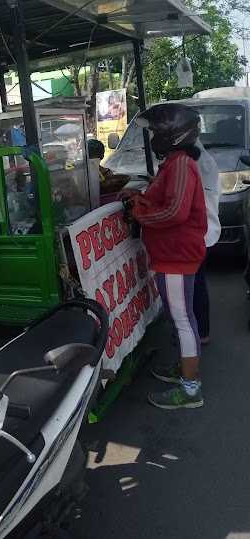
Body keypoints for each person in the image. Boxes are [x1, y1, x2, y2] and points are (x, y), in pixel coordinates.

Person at [128, 104, 207, 410]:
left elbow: (175, 211)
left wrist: (139, 214)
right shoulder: (174, 163)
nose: (153, 139)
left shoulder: (181, 165)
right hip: (172, 254)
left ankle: (190, 390)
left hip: (177, 255)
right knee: (181, 318)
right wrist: (142, 200)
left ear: (173, 135)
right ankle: (184, 371)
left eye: (157, 132)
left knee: (183, 319)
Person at [194, 141, 221, 344]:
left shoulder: (194, 162)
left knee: (195, 286)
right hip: (206, 230)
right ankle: (202, 331)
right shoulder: (204, 160)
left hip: (199, 232)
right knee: (198, 284)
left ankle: (200, 333)